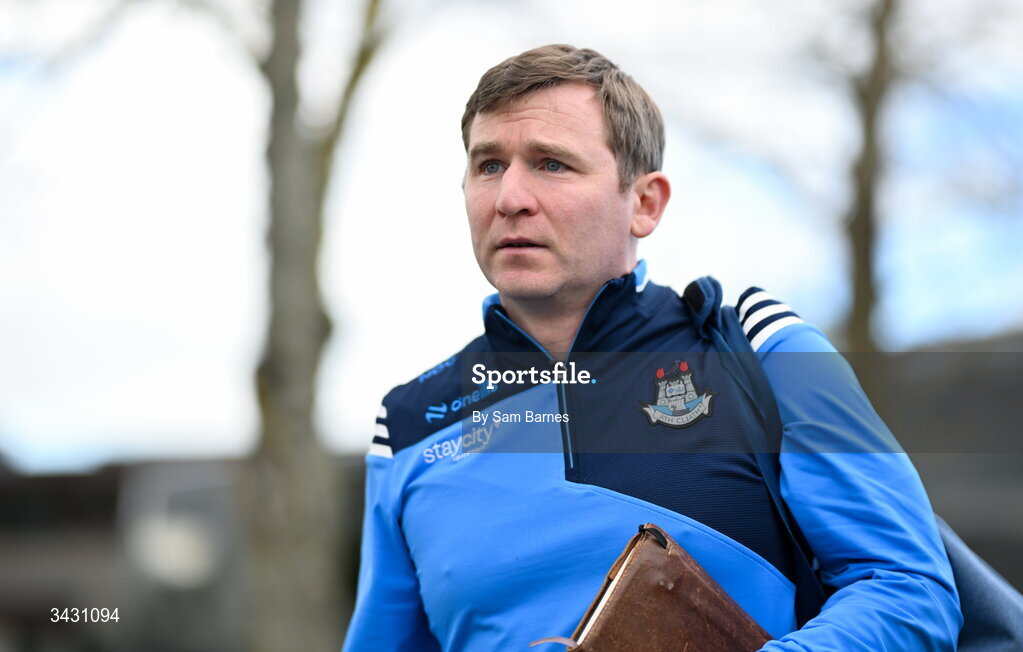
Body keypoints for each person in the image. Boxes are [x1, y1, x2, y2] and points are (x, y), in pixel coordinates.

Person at [342, 44, 962, 650]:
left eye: (552, 164)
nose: (510, 199)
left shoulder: (759, 346)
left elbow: (909, 589)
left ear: (644, 203)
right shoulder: (406, 424)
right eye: (488, 165)